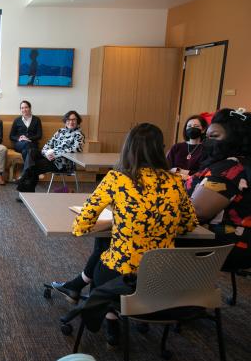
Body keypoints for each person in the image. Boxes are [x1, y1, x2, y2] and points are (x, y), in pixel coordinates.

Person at [52, 123, 198, 344]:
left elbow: (81, 225)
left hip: (122, 273)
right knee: (108, 251)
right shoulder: (175, 181)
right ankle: (105, 311)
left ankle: (110, 317)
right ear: (161, 149)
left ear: (128, 148)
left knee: (104, 257)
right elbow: (188, 224)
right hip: (162, 277)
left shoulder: (117, 179)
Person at [186, 108, 251, 272]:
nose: (208, 142)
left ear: (235, 139)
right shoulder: (238, 163)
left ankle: (143, 288)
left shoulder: (229, 168)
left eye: (214, 137)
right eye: (206, 137)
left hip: (225, 243)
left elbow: (198, 211)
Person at [29, 110, 85, 188]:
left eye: (73, 119)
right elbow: (48, 144)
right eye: (68, 119)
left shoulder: (79, 135)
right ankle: (26, 189)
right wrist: (46, 153)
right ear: (65, 121)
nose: (71, 122)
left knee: (33, 166)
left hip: (63, 164)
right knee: (32, 151)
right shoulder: (60, 131)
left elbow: (76, 149)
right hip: (50, 158)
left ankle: (25, 189)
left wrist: (55, 154)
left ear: (77, 121)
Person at [9, 100, 42, 172]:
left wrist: (28, 138)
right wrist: (19, 138)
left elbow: (39, 135)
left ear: (30, 108)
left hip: (32, 144)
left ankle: (26, 173)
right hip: (19, 144)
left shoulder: (37, 120)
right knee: (27, 145)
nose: (24, 109)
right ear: (20, 109)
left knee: (26, 151)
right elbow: (11, 136)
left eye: (26, 107)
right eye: (22, 108)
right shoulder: (17, 120)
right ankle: (35, 171)